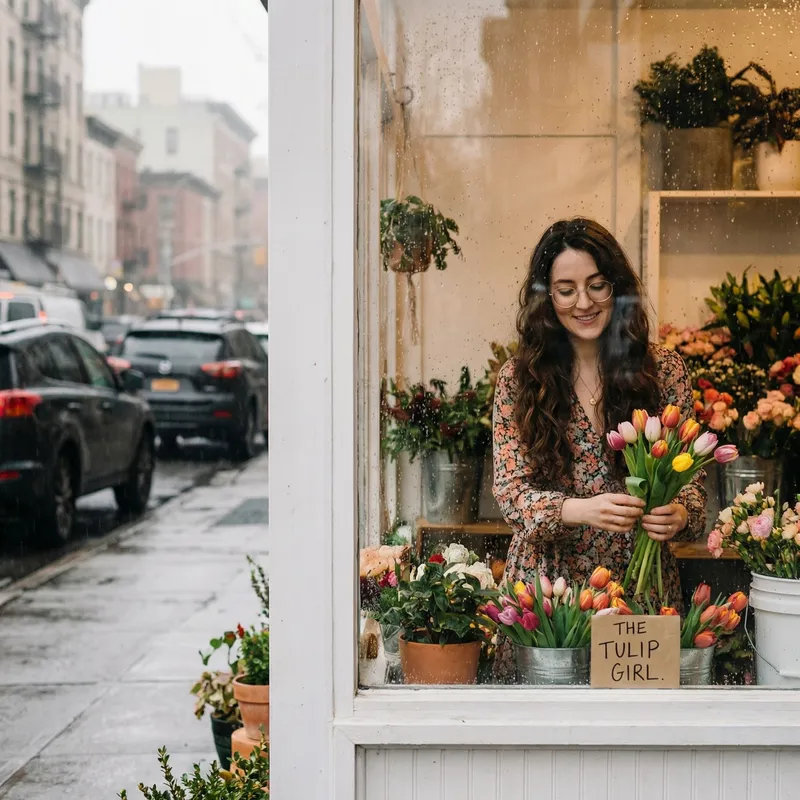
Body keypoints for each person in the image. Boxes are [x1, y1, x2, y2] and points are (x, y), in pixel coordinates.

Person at [492, 218, 706, 676]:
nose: (583, 302)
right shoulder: (520, 379)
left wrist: (681, 513)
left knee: (637, 736)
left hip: (640, 586)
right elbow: (511, 495)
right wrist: (579, 510)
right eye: (566, 289)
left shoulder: (662, 371)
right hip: (549, 595)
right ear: (546, 297)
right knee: (542, 738)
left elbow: (694, 489)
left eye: (597, 285)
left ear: (617, 287)